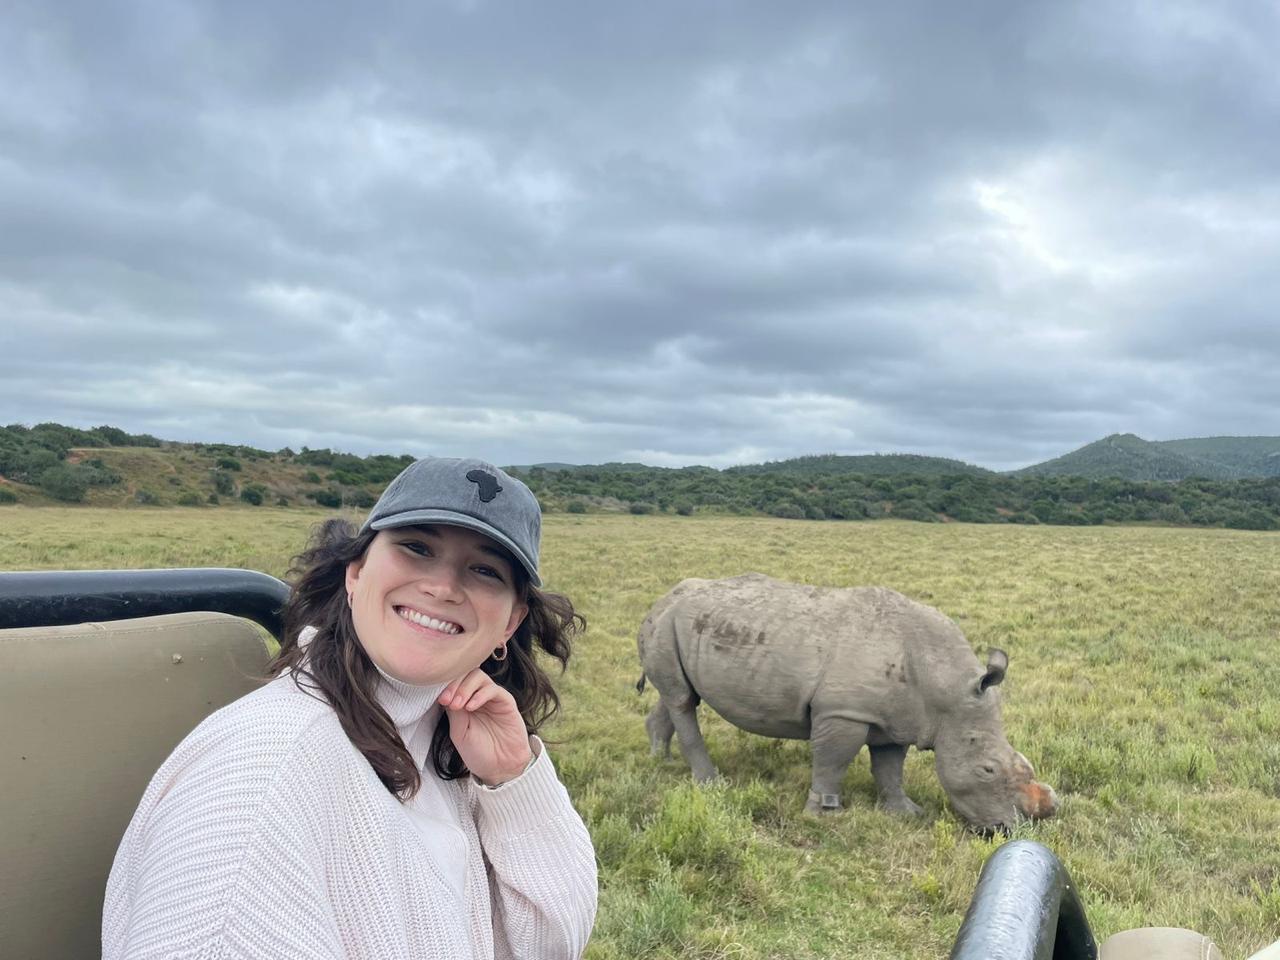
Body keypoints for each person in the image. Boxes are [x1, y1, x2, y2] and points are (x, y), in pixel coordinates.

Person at [103, 457, 598, 959]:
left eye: (486, 570)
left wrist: (513, 782)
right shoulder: (261, 776)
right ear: (356, 572)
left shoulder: (443, 744)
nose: (443, 587)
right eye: (417, 547)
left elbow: (550, 945)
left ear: (510, 624)